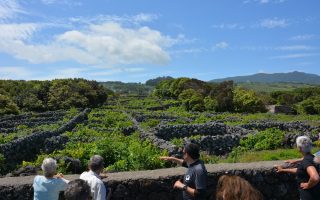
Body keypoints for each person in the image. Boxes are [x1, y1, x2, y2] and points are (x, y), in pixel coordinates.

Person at [275, 136, 320, 200]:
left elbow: (315, 177)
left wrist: (308, 185)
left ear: (299, 148)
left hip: (308, 196)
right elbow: (300, 171)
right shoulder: (313, 158)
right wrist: (283, 170)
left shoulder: (306, 161)